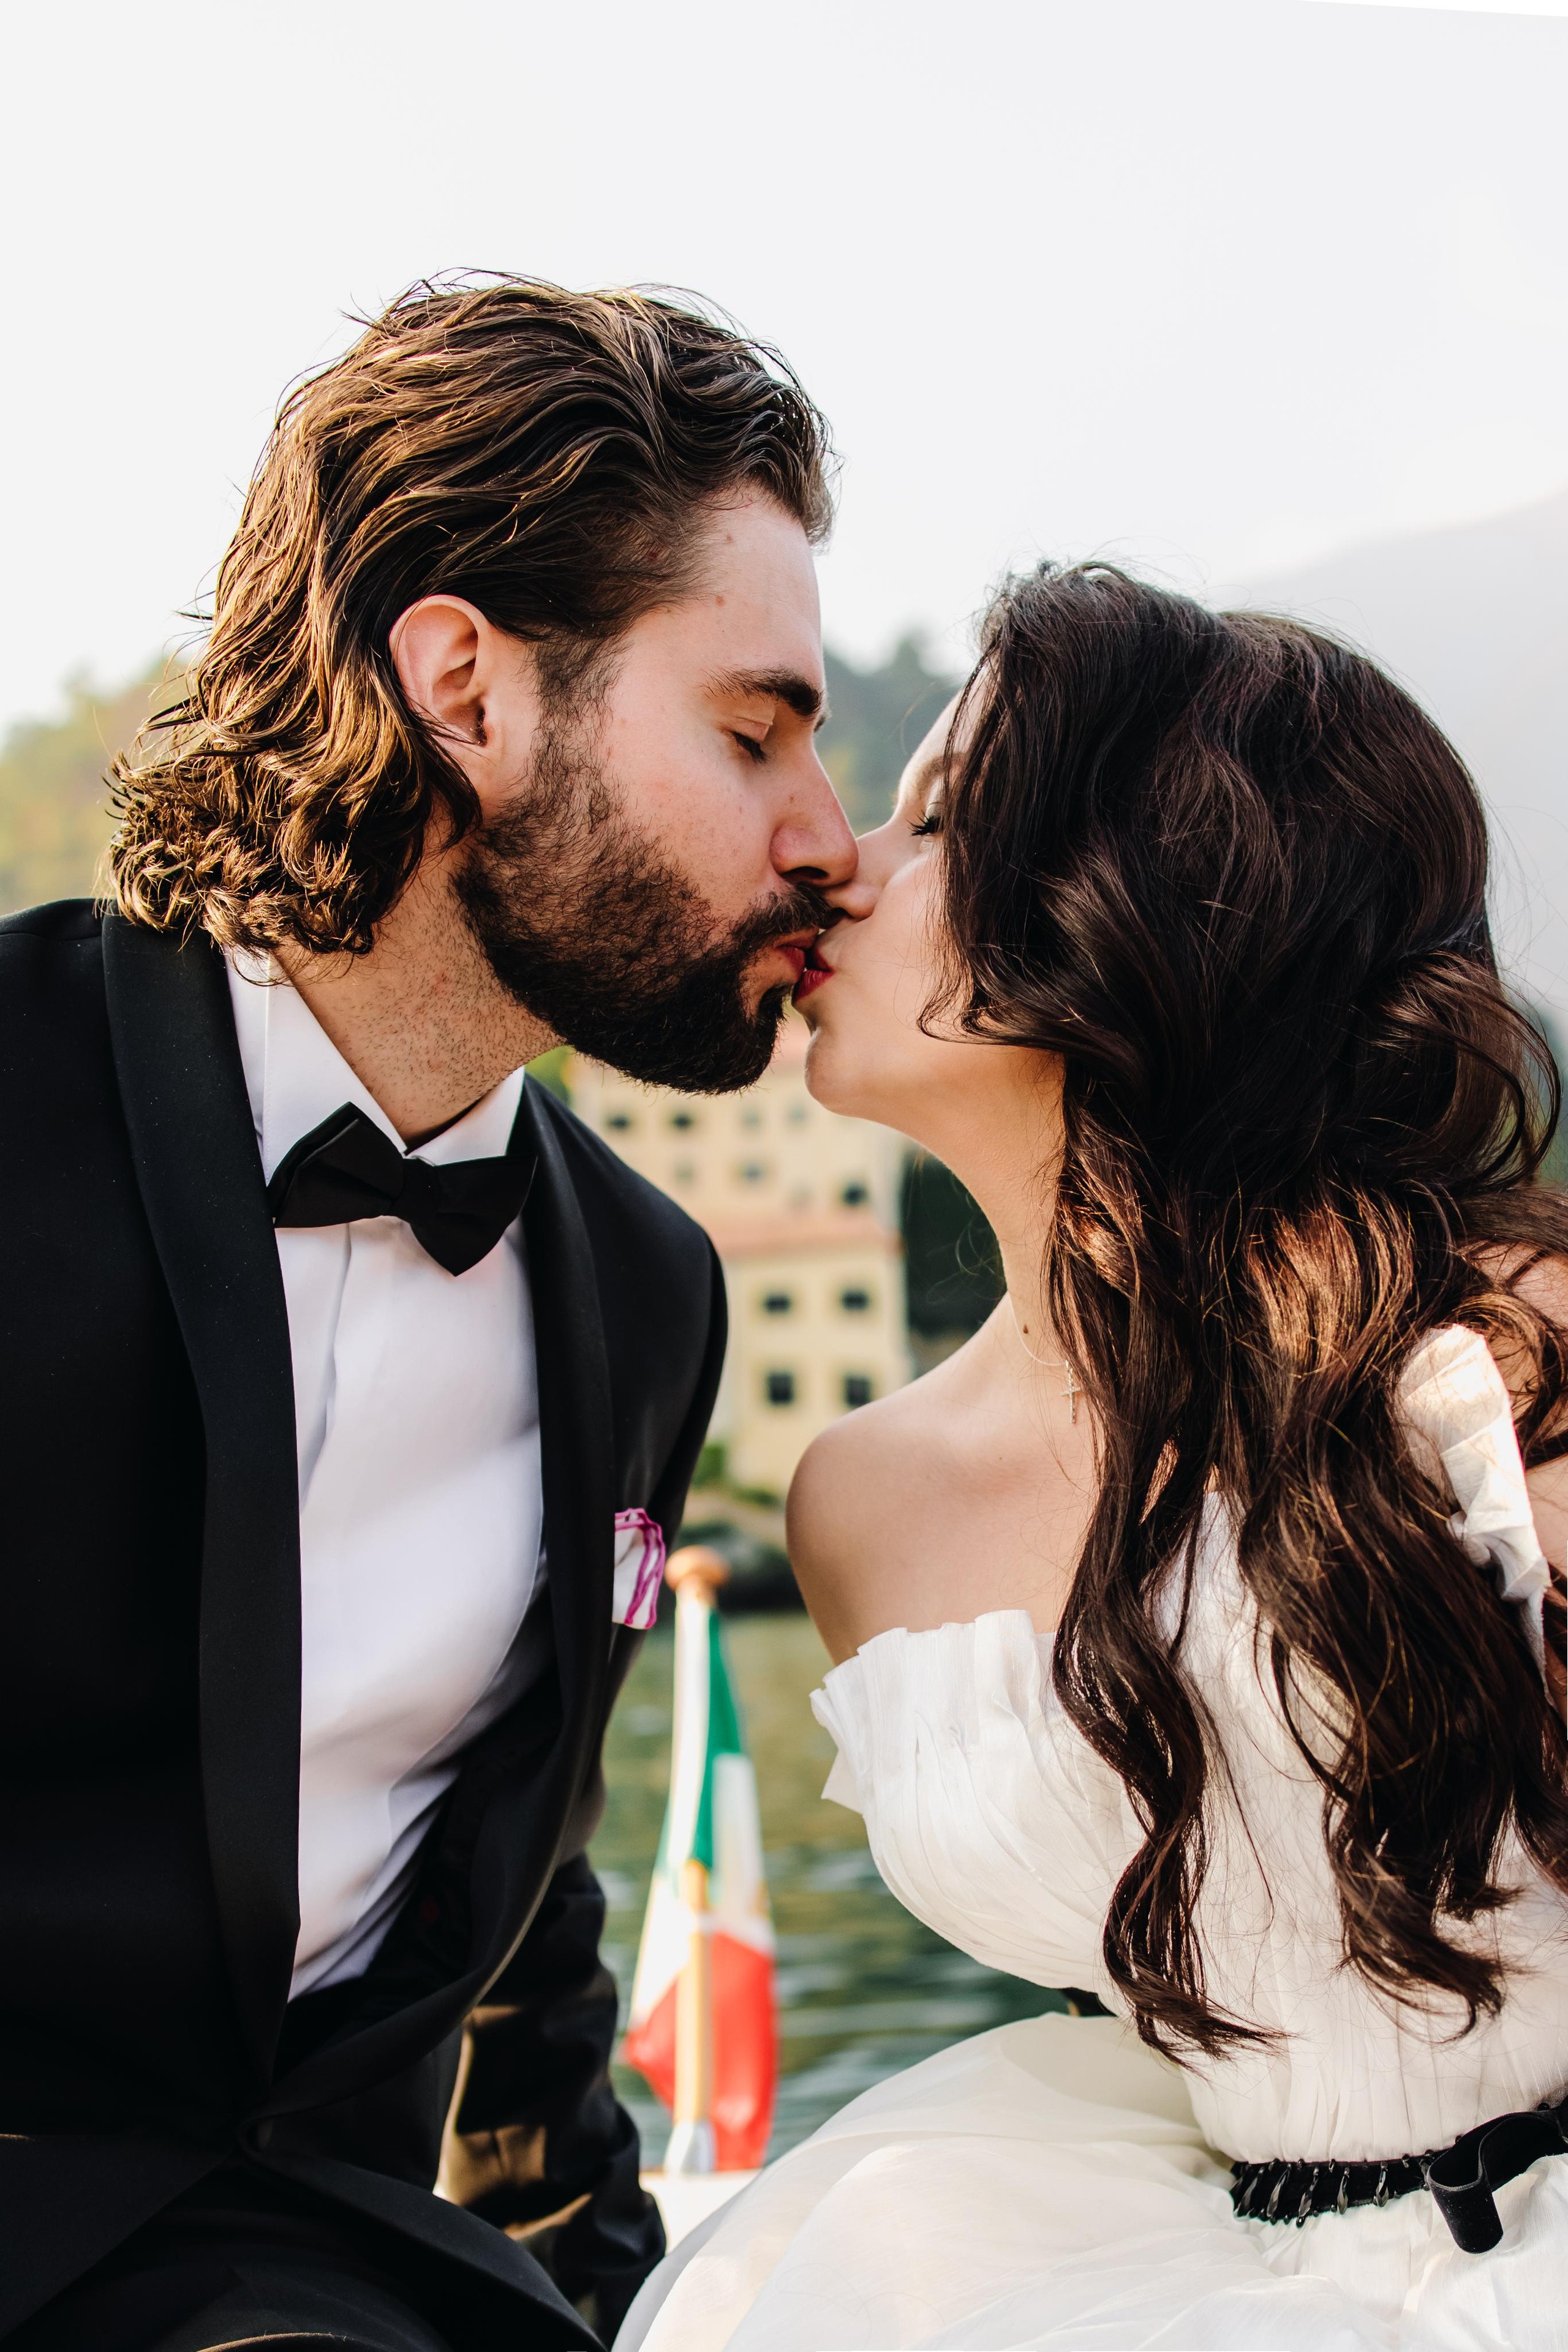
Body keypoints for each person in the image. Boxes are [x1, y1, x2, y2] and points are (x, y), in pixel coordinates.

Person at [0, 276, 856, 2352]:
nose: (825, 838)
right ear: (465, 688)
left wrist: (601, 2298)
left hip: (357, 2272)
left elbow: (522, 1915)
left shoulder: (648, 1297)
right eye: (749, 733)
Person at [622, 564, 1568, 2351]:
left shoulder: (1498, 1356)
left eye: (944, 820)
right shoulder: (860, 1506)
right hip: (1175, 2260)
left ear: (1141, 900)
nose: (844, 863)